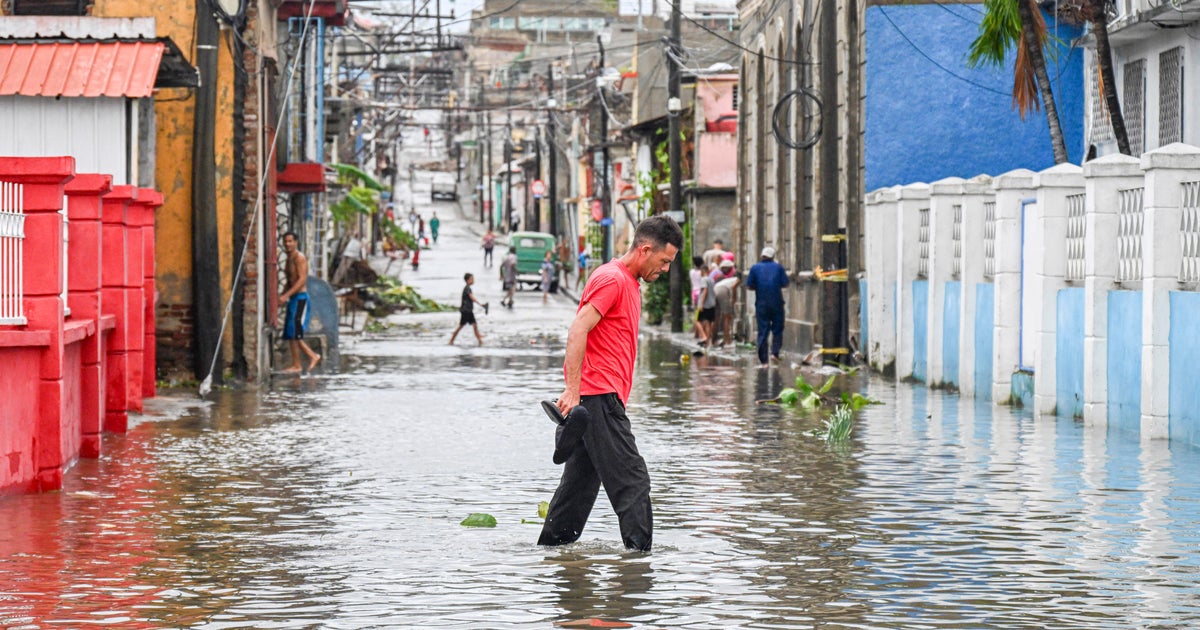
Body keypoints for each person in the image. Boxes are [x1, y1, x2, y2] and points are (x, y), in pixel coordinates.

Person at [538, 214, 683, 553]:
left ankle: (550, 553)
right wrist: (573, 390)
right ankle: (639, 566)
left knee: (579, 486)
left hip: (598, 400)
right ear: (645, 250)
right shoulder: (612, 279)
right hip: (599, 397)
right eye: (663, 261)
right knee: (633, 480)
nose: (665, 269)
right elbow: (578, 329)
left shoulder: (628, 283)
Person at [279, 232, 321, 373]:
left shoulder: (299, 258)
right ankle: (296, 364)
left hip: (301, 298)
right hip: (293, 298)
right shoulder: (288, 259)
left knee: (296, 332)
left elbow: (301, 280)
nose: (288, 244)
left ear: (296, 242)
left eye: (290, 241)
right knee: (290, 332)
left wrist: (286, 295)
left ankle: (312, 356)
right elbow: (290, 280)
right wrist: (283, 295)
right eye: (286, 241)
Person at [745, 246, 789, 367]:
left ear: (762, 256)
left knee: (763, 331)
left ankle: (764, 361)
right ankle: (774, 353)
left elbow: (749, 286)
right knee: (777, 329)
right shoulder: (778, 268)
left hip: (761, 304)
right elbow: (785, 284)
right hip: (777, 303)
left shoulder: (755, 268)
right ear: (773, 257)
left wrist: (758, 287)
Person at [449, 273, 486, 345]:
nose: (473, 280)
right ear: (468, 280)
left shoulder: (467, 288)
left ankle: (480, 340)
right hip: (466, 311)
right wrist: (480, 304)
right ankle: (451, 340)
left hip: (469, 310)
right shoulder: (467, 289)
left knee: (475, 325)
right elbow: (471, 297)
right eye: (472, 279)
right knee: (461, 326)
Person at [713, 273, 740, 347]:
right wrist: (733, 299)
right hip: (722, 290)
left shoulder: (728, 280)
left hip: (715, 289)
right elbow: (733, 287)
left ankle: (712, 340)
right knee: (727, 317)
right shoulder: (737, 279)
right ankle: (727, 341)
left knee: (716, 317)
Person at [696, 264, 718, 346]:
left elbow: (705, 290)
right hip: (712, 304)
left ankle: (704, 336)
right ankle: (708, 342)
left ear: (703, 271)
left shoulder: (704, 280)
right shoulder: (711, 280)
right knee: (708, 322)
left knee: (696, 320)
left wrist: (701, 304)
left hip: (704, 304)